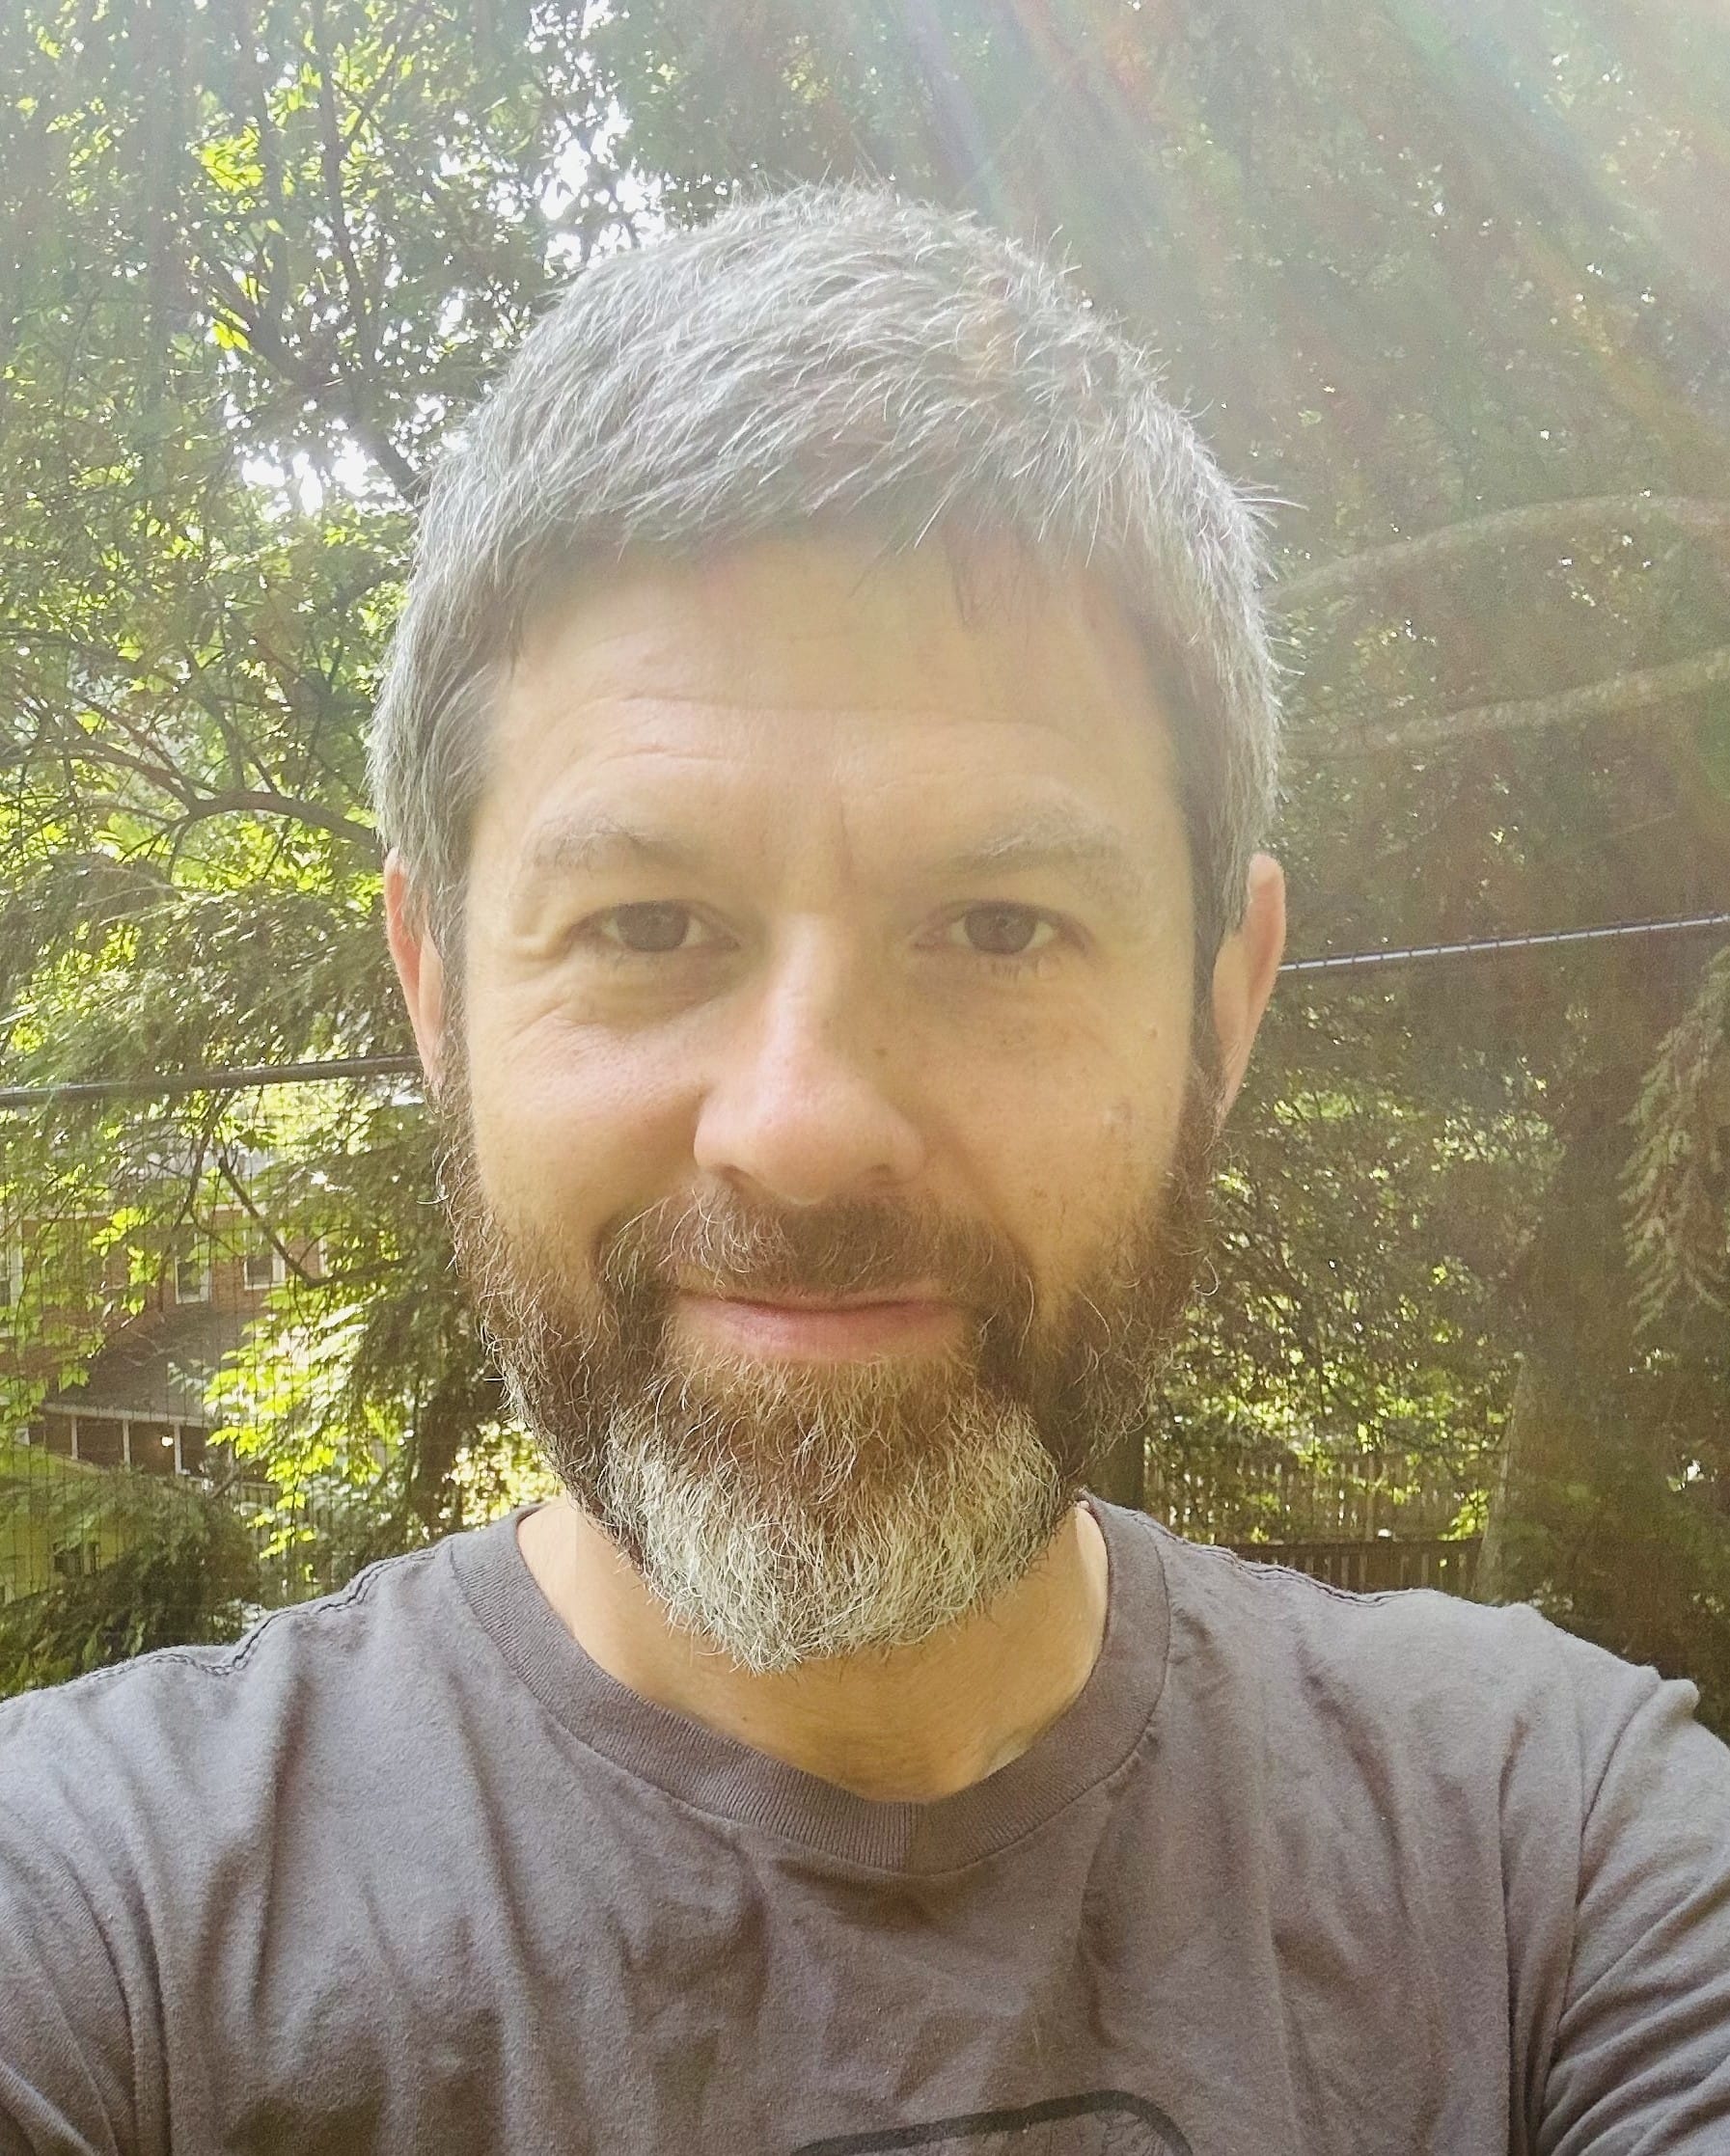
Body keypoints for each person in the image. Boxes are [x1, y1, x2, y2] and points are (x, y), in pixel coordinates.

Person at [2, 185, 1727, 2156]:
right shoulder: (102, 1929)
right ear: (438, 996)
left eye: (997, 925)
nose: (803, 1123)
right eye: (646, 923)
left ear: (1224, 1007)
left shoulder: (1553, 1862)